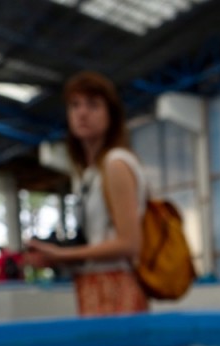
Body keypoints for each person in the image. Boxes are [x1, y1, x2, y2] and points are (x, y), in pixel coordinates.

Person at [26, 71, 149, 316]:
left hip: (117, 287)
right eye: (75, 105)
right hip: (96, 285)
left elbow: (130, 243)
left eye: (93, 105)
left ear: (111, 114)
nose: (82, 113)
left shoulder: (116, 164)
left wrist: (63, 254)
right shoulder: (90, 173)